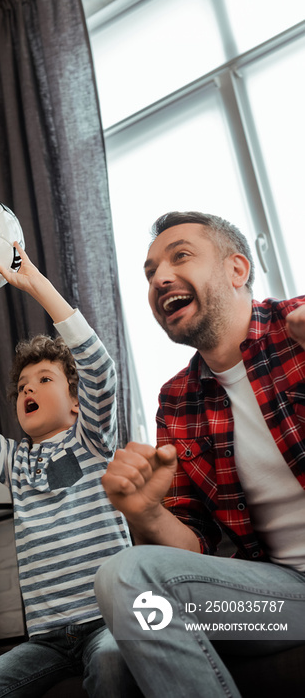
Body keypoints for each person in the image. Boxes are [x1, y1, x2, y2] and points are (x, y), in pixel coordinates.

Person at [94, 211, 305, 697]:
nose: (160, 277)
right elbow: (194, 550)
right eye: (150, 273)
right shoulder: (178, 398)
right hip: (283, 603)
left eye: (180, 256)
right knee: (116, 628)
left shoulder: (297, 331)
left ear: (237, 270)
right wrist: (147, 514)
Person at [0, 241, 141, 698]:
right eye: (22, 385)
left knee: (110, 661)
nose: (29, 389)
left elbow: (100, 368)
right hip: (45, 639)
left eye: (45, 380)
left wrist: (35, 283)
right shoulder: (14, 461)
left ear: (77, 400)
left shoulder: (93, 438)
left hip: (110, 621)